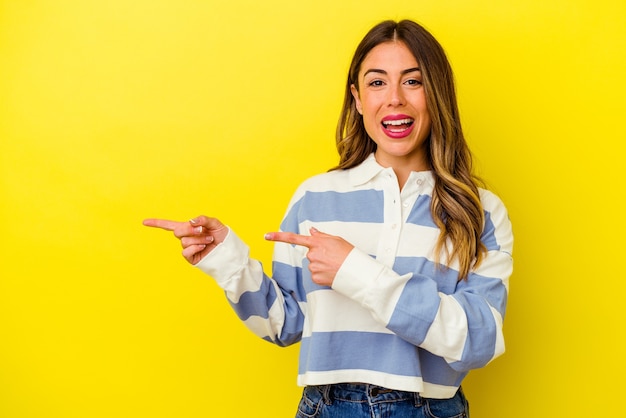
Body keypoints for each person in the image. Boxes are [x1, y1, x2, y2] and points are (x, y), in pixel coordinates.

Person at [143, 19, 513, 418]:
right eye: (376, 83)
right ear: (356, 98)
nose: (394, 99)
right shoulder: (315, 197)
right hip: (328, 407)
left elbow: (479, 340)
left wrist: (355, 270)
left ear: (436, 93)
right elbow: (285, 325)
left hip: (432, 408)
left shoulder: (480, 211)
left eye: (413, 81)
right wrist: (228, 261)